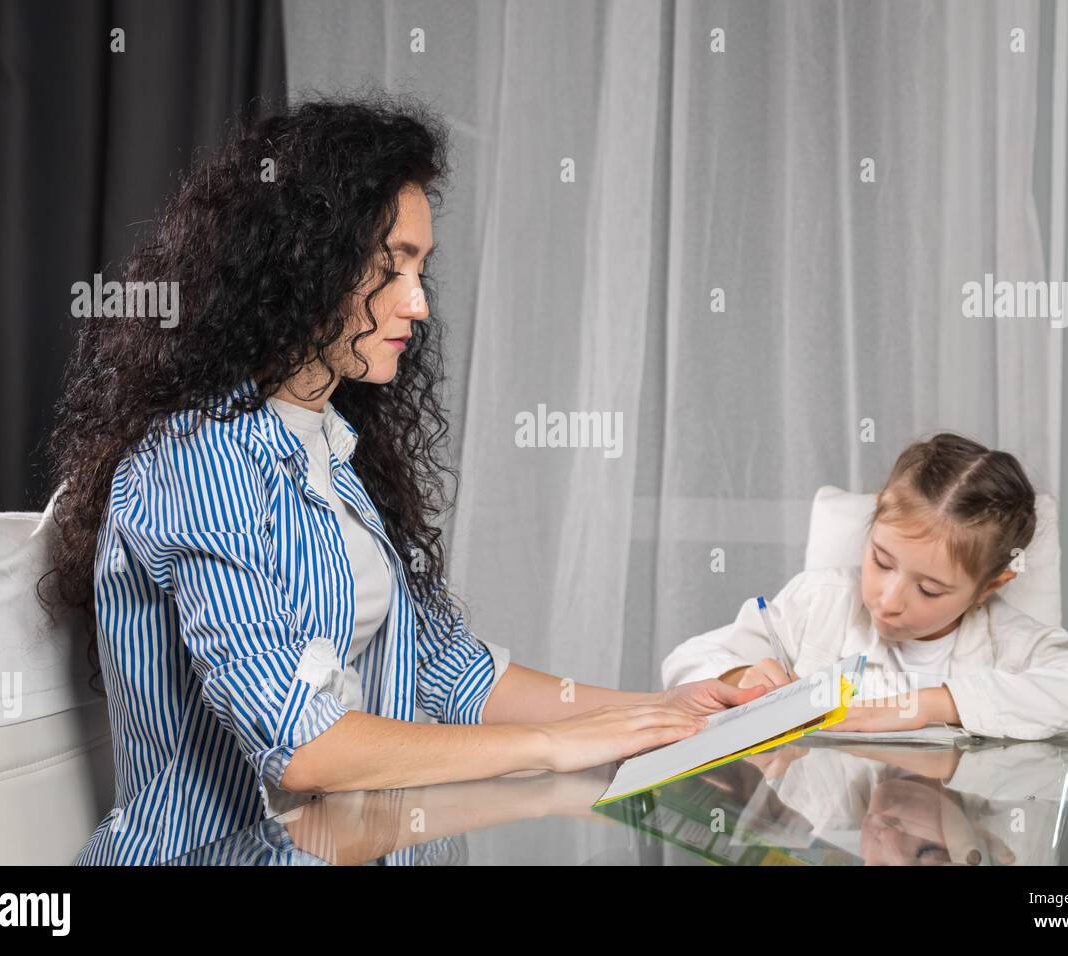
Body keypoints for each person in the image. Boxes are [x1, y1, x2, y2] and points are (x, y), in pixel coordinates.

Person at [42, 95, 759, 865]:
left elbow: (450, 672)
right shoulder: (198, 462)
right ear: (302, 268)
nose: (417, 303)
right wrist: (558, 746)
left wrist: (662, 711)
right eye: (390, 267)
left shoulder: (332, 451)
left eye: (421, 266)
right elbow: (302, 746)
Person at [662, 433, 1068, 740]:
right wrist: (736, 676)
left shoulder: (1008, 643)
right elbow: (688, 658)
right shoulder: (818, 603)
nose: (888, 602)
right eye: (881, 561)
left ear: (989, 586)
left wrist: (936, 704)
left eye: (930, 590)